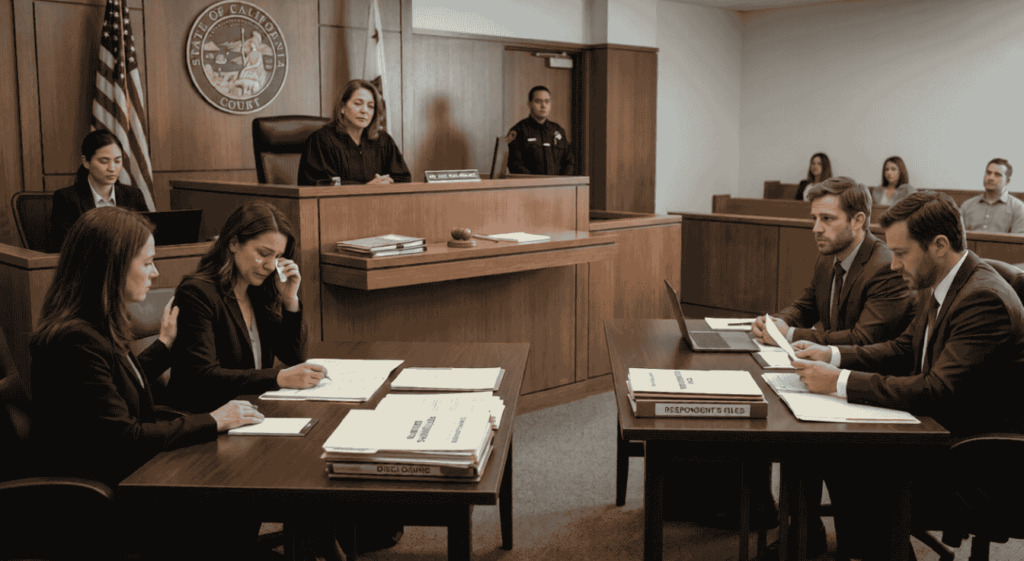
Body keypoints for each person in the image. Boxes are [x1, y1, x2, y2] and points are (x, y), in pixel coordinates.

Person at [792, 191, 1024, 560]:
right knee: (829, 446)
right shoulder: (946, 282)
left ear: (939, 245)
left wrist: (838, 382)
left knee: (849, 458)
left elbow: (937, 388)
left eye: (901, 253)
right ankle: (859, 547)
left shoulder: (984, 298)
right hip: (938, 426)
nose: (894, 266)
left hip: (975, 456)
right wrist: (834, 356)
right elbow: (904, 349)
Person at [29, 206, 264, 559]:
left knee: (237, 494)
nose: (155, 273)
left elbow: (119, 385)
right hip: (103, 503)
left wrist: (165, 346)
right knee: (236, 502)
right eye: (147, 263)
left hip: (126, 478)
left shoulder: (92, 326)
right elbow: (124, 438)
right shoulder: (76, 339)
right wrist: (214, 420)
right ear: (111, 265)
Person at [751, 177, 915, 560]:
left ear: (858, 221)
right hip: (836, 377)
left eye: (827, 219)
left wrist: (795, 333)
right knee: (786, 422)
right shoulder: (830, 257)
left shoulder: (884, 266)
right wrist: (777, 321)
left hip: (875, 387)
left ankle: (813, 534)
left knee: (799, 435)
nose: (816, 229)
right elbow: (805, 304)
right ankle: (802, 531)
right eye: (814, 218)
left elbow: (863, 337)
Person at [166, 202, 326, 413]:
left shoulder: (258, 291)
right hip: (205, 417)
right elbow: (202, 376)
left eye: (277, 257)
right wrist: (278, 377)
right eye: (263, 253)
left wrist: (290, 301)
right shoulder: (197, 292)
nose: (270, 266)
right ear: (233, 243)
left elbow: (293, 356)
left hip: (250, 409)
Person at [49, 130, 148, 252]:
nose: (112, 168)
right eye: (104, 161)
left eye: (117, 161)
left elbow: (147, 236)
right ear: (86, 162)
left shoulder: (133, 195)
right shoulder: (67, 198)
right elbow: (65, 247)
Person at [298, 79, 411, 185]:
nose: (364, 110)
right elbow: (320, 185)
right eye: (358, 103)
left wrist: (387, 183)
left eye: (371, 106)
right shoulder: (321, 141)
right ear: (342, 107)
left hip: (380, 204)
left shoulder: (383, 140)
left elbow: (403, 178)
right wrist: (365, 189)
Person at [506, 85, 575, 176]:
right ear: (529, 104)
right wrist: (536, 183)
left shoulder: (558, 130)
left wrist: (562, 182)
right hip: (531, 187)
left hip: (558, 187)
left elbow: (569, 161)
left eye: (547, 101)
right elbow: (515, 164)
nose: (543, 105)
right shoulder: (519, 131)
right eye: (538, 101)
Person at [959, 158, 1024, 234]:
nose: (991, 178)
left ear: (1007, 181)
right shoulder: (967, 206)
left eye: (997, 175)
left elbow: (1018, 242)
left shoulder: (1018, 208)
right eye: (988, 173)